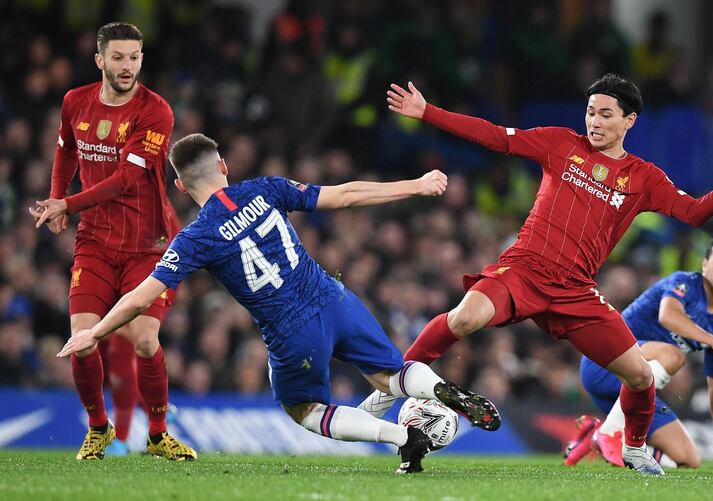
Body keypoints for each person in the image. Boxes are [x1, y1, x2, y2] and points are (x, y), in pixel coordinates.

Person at [360, 73, 713, 476]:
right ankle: (390, 386)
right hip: (524, 269)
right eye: (590, 112)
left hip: (576, 291)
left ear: (629, 121)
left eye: (606, 114)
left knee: (639, 375)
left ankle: (633, 447)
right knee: (465, 316)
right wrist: (428, 112)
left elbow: (694, 213)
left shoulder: (643, 178)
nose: (595, 122)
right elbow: (496, 136)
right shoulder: (561, 144)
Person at [56, 133, 501, 474]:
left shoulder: (194, 237)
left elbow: (140, 298)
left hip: (291, 331)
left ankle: (404, 437)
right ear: (224, 165)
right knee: (392, 377)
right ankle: (437, 387)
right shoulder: (266, 188)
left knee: (305, 411)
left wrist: (93, 332)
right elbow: (344, 195)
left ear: (179, 184)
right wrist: (416, 185)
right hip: (334, 297)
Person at [30, 22, 194, 460]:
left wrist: (69, 204)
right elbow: (65, 149)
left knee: (143, 341)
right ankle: (99, 428)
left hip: (148, 242)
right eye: (118, 57)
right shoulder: (75, 102)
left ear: (142, 58)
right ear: (100, 60)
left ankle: (157, 433)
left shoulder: (155, 111)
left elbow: (127, 179)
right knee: (82, 340)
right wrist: (56, 197)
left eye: (134, 57)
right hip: (96, 242)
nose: (127, 66)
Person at [566, 234, 713, 470]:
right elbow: (668, 316)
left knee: (688, 459)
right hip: (603, 364)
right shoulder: (684, 283)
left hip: (637, 388)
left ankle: (595, 435)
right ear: (705, 264)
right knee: (673, 356)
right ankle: (611, 433)